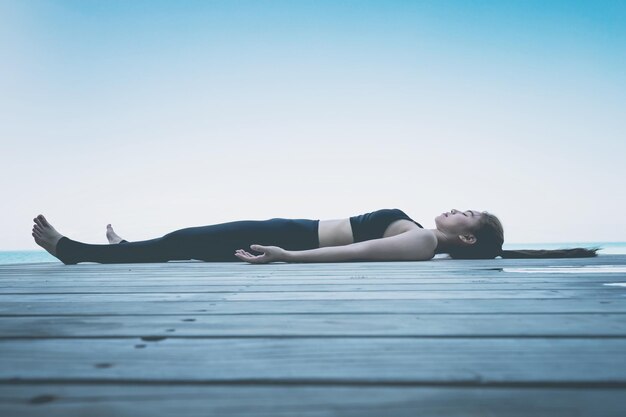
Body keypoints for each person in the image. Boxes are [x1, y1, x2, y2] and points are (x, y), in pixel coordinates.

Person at [31, 208, 598, 265]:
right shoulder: (423, 234)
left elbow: (355, 252)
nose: (454, 209)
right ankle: (122, 248)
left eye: (466, 215)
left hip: (288, 237)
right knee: (183, 239)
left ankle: (75, 253)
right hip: (288, 229)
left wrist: (286, 258)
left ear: (467, 240)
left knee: (184, 241)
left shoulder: (423, 241)